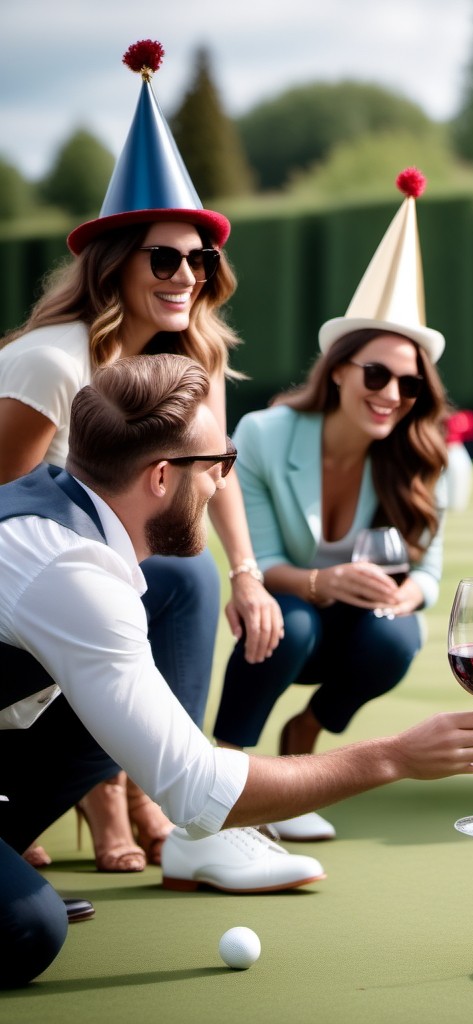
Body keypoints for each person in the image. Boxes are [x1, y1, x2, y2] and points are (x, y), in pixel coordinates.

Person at [0, 353, 473, 989]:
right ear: (160, 476)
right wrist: (395, 757)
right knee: (29, 928)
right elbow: (197, 788)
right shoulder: (71, 577)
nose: (222, 485)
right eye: (220, 466)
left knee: (173, 601)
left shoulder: (61, 509)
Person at [0, 40, 282, 878]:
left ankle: (178, 811)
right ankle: (127, 799)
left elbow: (211, 471)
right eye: (167, 257)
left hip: (92, 587)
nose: (188, 275)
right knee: (173, 583)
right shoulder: (49, 365)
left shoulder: (197, 357)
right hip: (28, 597)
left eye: (202, 260)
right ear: (116, 263)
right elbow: (15, 534)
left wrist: (249, 573)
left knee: (190, 579)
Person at [212, 168, 449, 842]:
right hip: (291, 616)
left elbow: (430, 571)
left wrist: (412, 596)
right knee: (294, 622)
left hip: (361, 630)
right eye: (376, 374)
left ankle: (306, 740)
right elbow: (258, 559)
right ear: (340, 368)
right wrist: (322, 582)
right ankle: (226, 779)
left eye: (408, 385)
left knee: (399, 636)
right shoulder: (264, 434)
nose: (392, 394)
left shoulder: (423, 456)